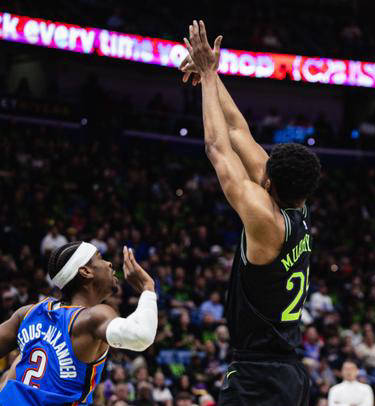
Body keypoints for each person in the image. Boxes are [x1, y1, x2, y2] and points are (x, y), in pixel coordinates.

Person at [181, 20, 321, 405]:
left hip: (259, 375)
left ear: (269, 183)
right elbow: (240, 131)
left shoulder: (266, 222)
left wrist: (208, 76)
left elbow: (218, 148)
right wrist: (212, 72)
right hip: (288, 371)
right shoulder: (297, 209)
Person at [0, 242, 157, 405]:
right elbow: (142, 335)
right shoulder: (94, 317)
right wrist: (148, 288)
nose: (109, 263)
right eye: (100, 258)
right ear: (86, 271)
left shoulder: (28, 313)